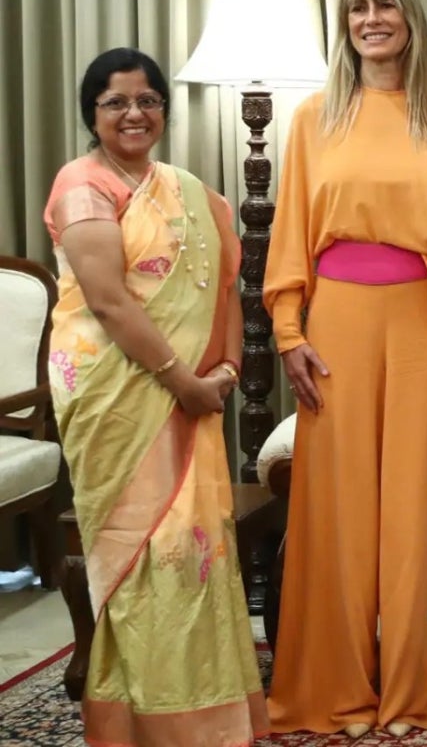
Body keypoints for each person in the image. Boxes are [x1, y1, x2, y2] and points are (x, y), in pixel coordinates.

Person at [263, 0, 427, 738]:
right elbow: (289, 231)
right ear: (345, 22)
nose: (371, 19)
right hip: (335, 328)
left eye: (385, 5)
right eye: (358, 8)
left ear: (410, 17)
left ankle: (415, 693)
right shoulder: (312, 117)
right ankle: (335, 693)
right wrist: (289, 332)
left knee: (418, 516)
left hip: (425, 326)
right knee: (337, 517)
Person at [43, 48, 266, 746]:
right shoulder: (81, 186)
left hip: (192, 395)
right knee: (144, 554)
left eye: (147, 100)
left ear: (164, 110)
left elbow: (227, 286)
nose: (134, 114)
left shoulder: (197, 193)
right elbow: (107, 302)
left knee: (197, 548)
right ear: (93, 114)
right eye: (116, 102)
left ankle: (209, 716)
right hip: (117, 399)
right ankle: (145, 720)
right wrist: (183, 381)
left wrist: (226, 371)